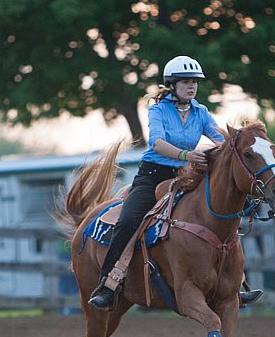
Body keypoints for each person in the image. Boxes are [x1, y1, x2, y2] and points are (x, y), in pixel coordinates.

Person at [88, 55, 263, 310]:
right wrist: (186, 155)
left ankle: (236, 285)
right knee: (128, 221)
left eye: (194, 82)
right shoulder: (158, 110)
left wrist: (238, 141)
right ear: (172, 85)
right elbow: (157, 143)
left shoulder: (201, 112)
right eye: (185, 82)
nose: (191, 86)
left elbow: (221, 139)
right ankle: (107, 285)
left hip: (185, 176)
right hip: (153, 176)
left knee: (224, 216)